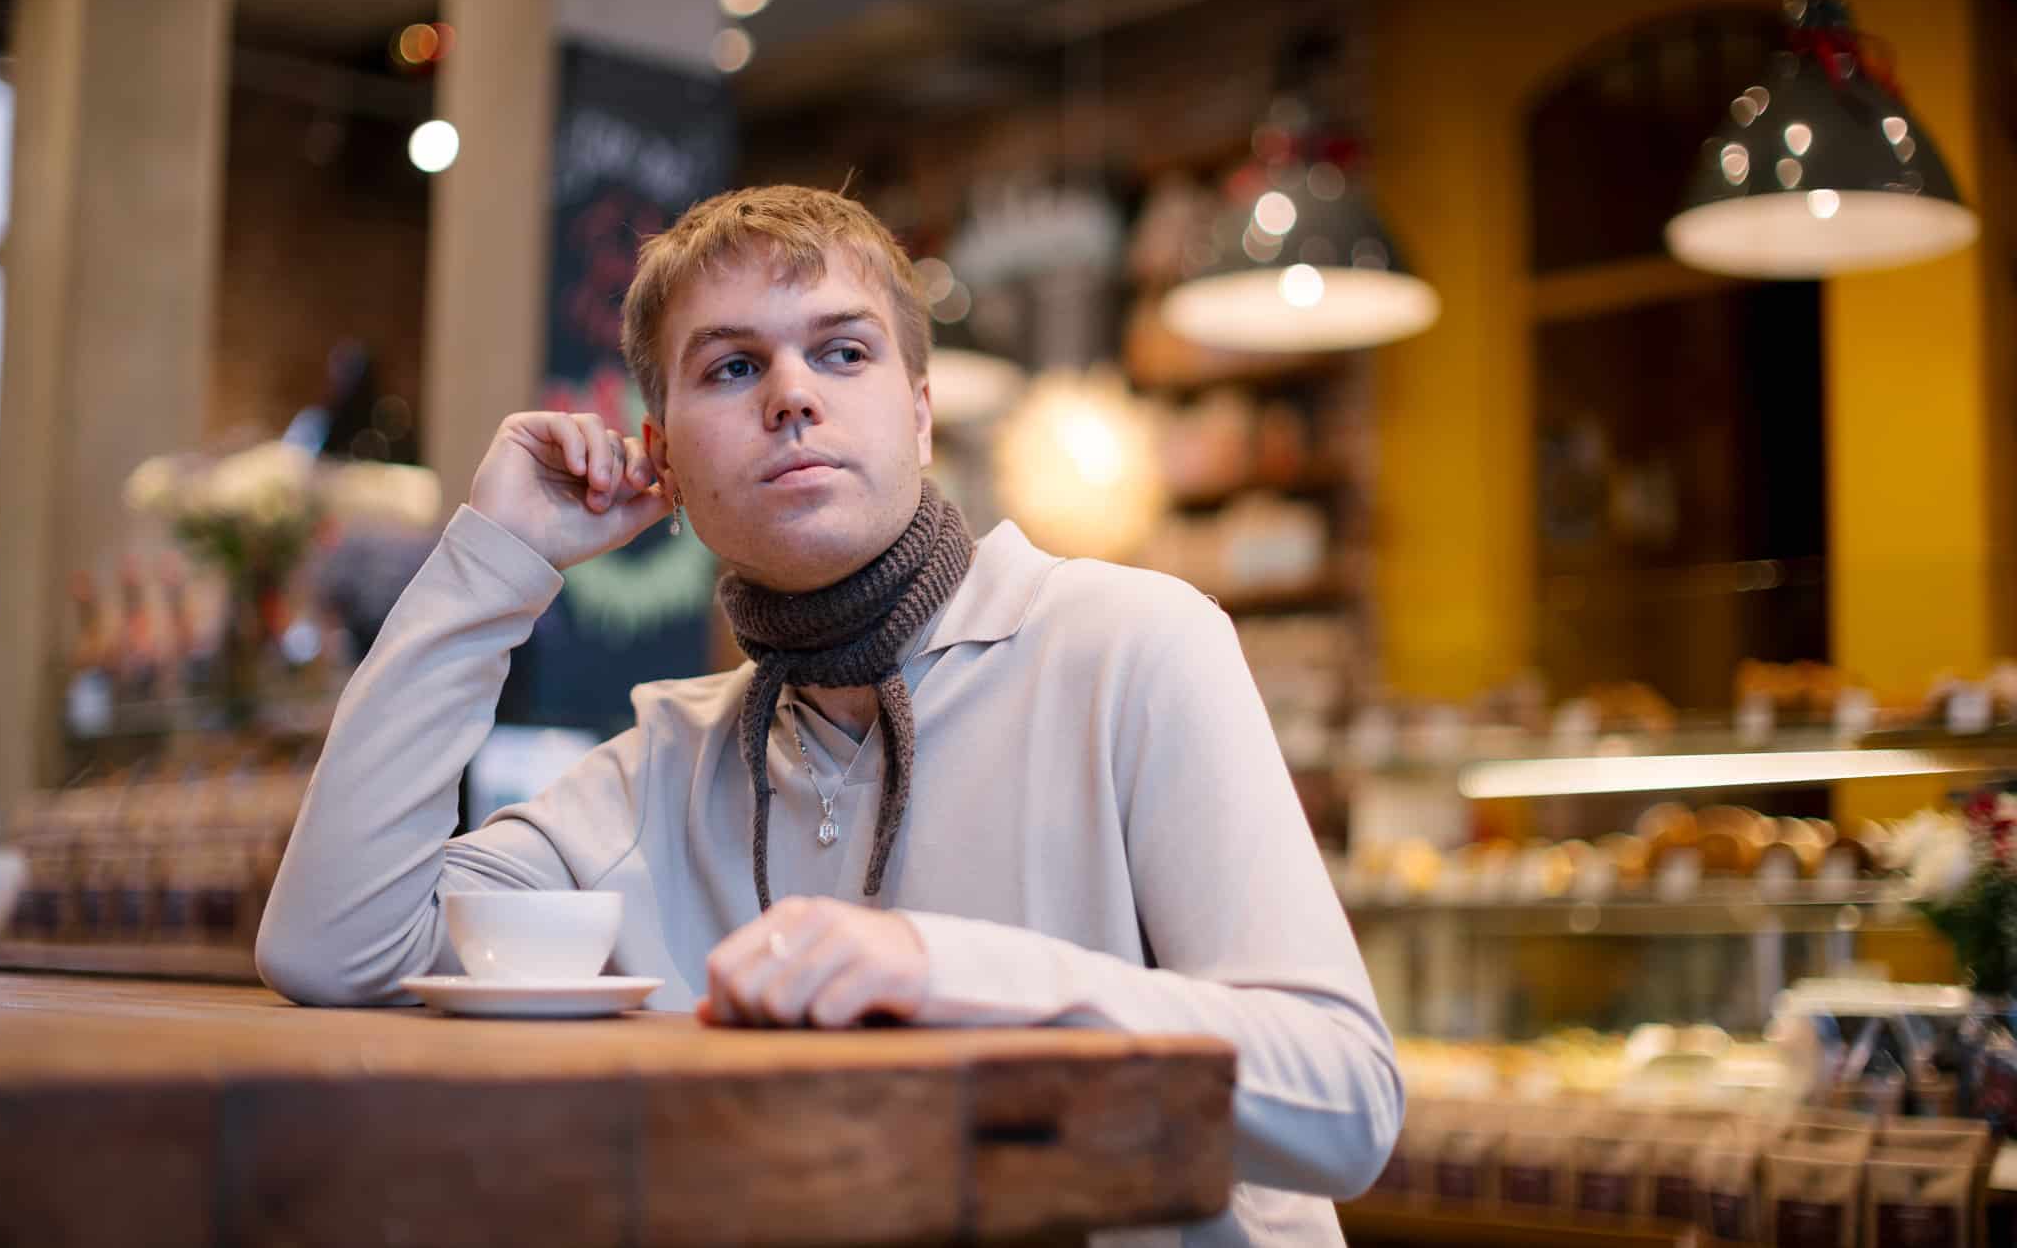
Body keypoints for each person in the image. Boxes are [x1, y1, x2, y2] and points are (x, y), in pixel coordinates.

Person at [257, 185, 1403, 1245]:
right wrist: (492, 566)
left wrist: (939, 972)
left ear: (916, 414)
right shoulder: (664, 765)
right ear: (661, 460)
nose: (792, 392)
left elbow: (1345, 1100)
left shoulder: (1134, 644)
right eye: (730, 368)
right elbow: (336, 946)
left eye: (841, 351)